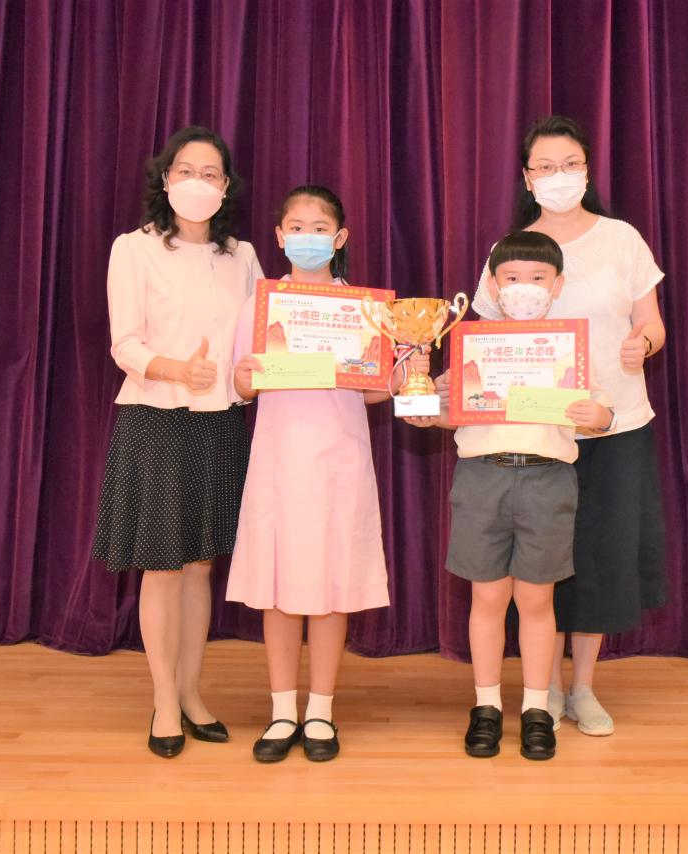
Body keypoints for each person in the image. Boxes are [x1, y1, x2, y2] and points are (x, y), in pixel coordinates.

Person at [472, 115, 668, 737]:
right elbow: (485, 343)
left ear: (586, 169)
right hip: (536, 435)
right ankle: (544, 689)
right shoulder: (511, 249)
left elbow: (652, 322)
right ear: (528, 178)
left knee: (601, 556)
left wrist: (644, 344)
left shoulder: (621, 239)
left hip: (614, 425)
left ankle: (583, 686)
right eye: (546, 167)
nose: (560, 175)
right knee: (540, 565)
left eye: (571, 164)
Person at [227, 185, 425, 762]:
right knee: (279, 589)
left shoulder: (364, 310)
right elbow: (242, 384)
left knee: (332, 586)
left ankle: (320, 709)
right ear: (279, 236)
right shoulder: (261, 305)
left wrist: (405, 373)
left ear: (339, 239)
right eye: (296, 227)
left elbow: (371, 391)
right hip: (279, 459)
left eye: (319, 228)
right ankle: (281, 710)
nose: (307, 237)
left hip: (340, 460)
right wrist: (244, 377)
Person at [408, 230, 613, 760]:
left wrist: (600, 415)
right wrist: (425, 407)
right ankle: (486, 706)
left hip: (548, 480)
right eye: (513, 278)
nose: (525, 288)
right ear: (495, 287)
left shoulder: (571, 346)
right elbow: (449, 410)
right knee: (487, 599)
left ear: (557, 285)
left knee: (537, 601)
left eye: (538, 278)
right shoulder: (475, 343)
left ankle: (537, 709)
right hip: (483, 478)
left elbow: (599, 411)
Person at [93, 126, 264, 758]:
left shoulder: (242, 256)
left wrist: (251, 377)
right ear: (165, 180)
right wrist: (174, 369)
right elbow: (125, 342)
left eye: (210, 173)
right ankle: (164, 699)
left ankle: (192, 692)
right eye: (186, 171)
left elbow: (258, 339)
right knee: (163, 567)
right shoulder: (134, 249)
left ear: (226, 187)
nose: (197, 182)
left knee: (200, 566)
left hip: (220, 421)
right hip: (158, 417)